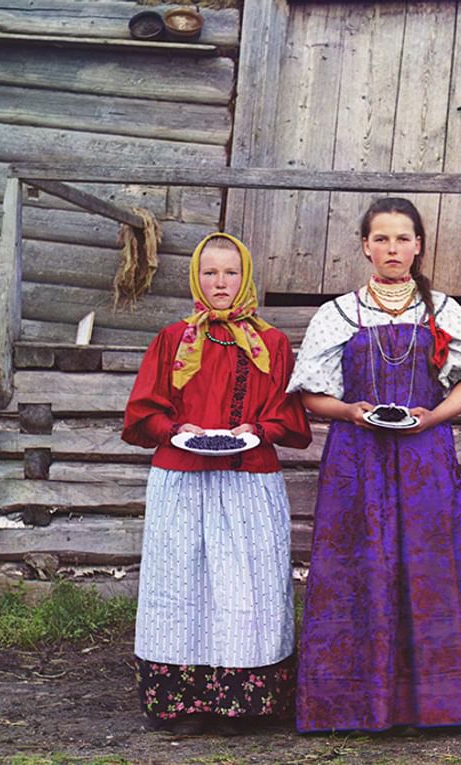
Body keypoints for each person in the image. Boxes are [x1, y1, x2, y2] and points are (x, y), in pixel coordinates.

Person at [289, 197, 461, 733]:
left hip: (424, 458)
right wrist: (349, 411)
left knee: (426, 567)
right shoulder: (337, 313)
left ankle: (432, 706)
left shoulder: (443, 312)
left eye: (402, 238)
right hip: (356, 460)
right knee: (358, 566)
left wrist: (432, 418)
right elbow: (311, 394)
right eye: (381, 238)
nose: (392, 248)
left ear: (419, 245)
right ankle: (353, 705)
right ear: (365, 246)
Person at [122, 232, 311, 735]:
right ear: (196, 279)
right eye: (210, 273)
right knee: (181, 587)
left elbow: (289, 418)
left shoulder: (270, 343)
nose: (220, 282)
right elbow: (144, 411)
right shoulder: (172, 339)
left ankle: (240, 703)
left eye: (230, 272)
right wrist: (175, 429)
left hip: (248, 483)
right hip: (181, 482)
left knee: (245, 588)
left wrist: (257, 430)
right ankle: (184, 704)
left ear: (245, 276)